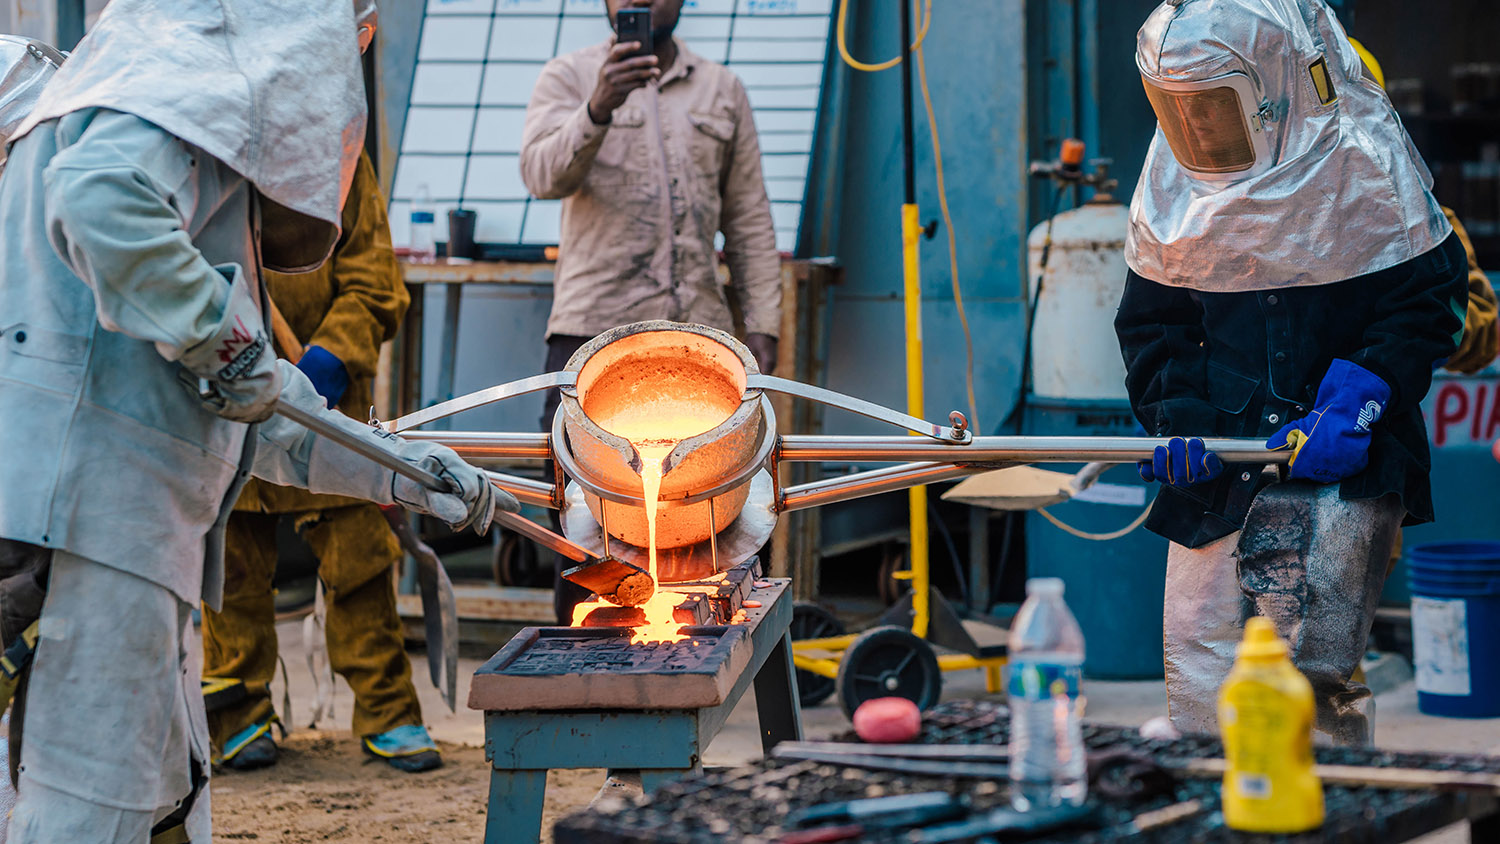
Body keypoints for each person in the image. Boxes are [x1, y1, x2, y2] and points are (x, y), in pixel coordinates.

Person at [0, 2, 512, 840]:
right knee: (90, 813)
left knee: (165, 799)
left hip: (125, 533)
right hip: (91, 530)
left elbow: (268, 418)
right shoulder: (153, 114)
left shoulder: (174, 146)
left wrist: (406, 472)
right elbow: (101, 198)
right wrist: (228, 344)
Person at [1117, 0, 1468, 746]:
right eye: (1180, 110)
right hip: (1219, 459)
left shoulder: (1369, 166)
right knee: (1201, 676)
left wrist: (1358, 401)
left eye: (1213, 107)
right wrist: (1177, 419)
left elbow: (1428, 303)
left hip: (1341, 458)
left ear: (1275, 84)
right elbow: (1153, 327)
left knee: (1308, 683)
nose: (1199, 132)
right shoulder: (1173, 187)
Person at [520, 0, 782, 622]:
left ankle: (707, 672)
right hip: (592, 345)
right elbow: (540, 174)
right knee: (591, 531)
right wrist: (598, 108)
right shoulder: (569, 78)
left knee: (717, 520)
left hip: (703, 351)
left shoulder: (722, 90)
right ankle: (585, 679)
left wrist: (763, 324)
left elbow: (749, 219)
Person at [200, 154, 439, 771]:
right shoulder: (200, 147)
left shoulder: (336, 153)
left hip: (328, 404)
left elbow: (374, 281)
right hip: (230, 392)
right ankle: (238, 716)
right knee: (231, 566)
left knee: (360, 563)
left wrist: (328, 360)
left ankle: (389, 712)